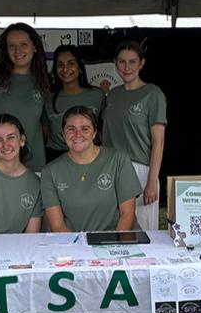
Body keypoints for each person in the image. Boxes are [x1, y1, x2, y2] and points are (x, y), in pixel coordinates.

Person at [41, 106, 141, 232]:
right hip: (73, 244)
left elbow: (127, 214)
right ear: (63, 133)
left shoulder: (118, 159)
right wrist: (77, 250)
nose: (78, 135)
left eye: (85, 129)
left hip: (115, 241)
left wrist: (113, 246)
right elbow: (57, 225)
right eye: (71, 129)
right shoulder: (50, 171)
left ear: (94, 133)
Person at [101, 40, 167, 231]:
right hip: (111, 169)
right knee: (115, 229)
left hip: (140, 170)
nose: (127, 67)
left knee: (143, 231)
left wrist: (152, 181)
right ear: (115, 64)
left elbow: (158, 141)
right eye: (122, 62)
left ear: (141, 63)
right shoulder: (112, 95)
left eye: (132, 61)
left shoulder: (152, 94)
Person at [0, 23, 52, 172]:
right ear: (5, 50)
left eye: (23, 44)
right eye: (11, 46)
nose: (17, 50)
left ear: (35, 47)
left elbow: (45, 126)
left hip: (32, 163)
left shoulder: (44, 80)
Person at [45, 45, 105, 162]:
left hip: (91, 158)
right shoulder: (48, 99)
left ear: (80, 67)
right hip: (57, 159)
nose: (65, 69)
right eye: (60, 65)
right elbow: (44, 135)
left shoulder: (97, 95)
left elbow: (104, 132)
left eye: (71, 63)